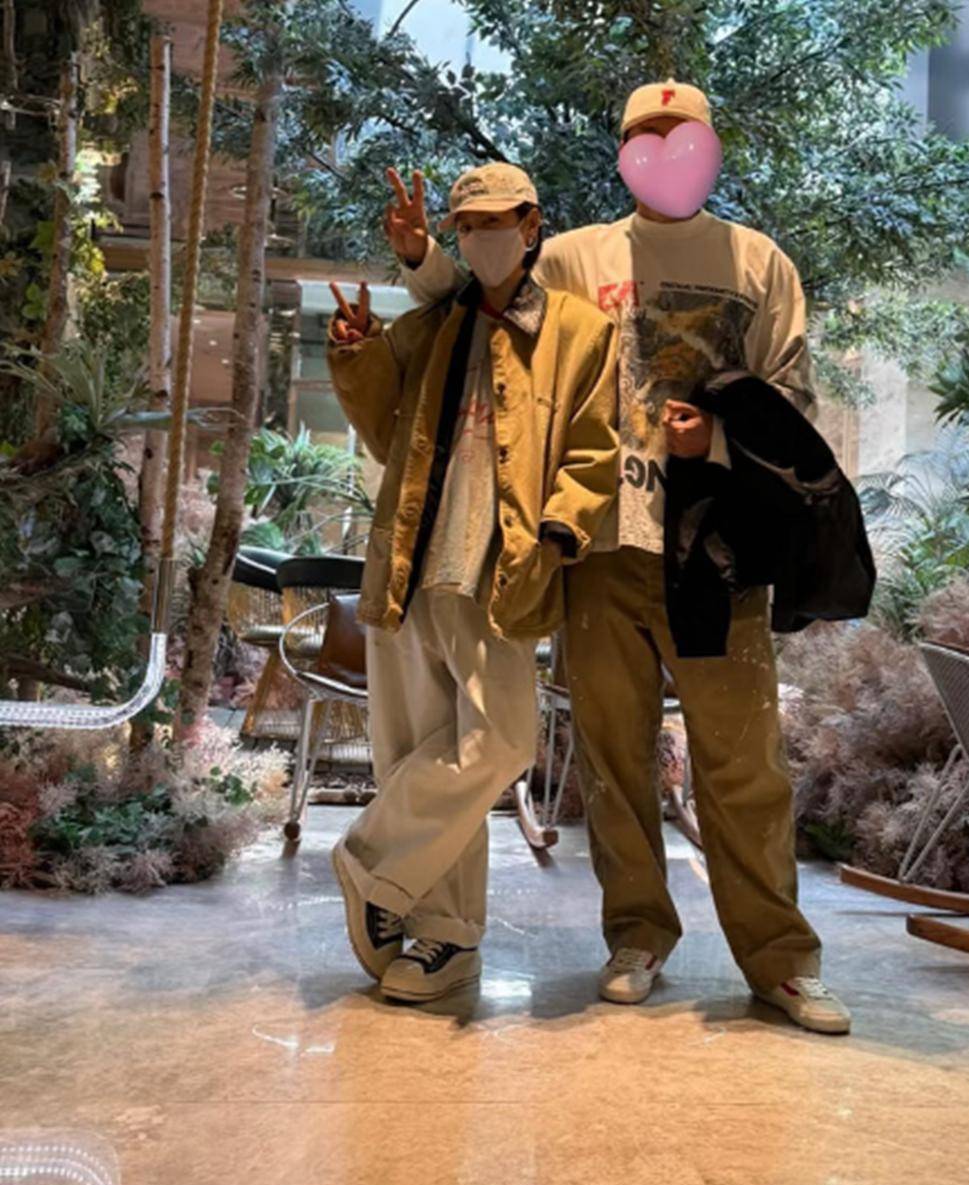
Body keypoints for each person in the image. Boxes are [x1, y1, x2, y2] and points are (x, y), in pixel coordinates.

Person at [384, 82, 852, 1034]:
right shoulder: (570, 256)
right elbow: (477, 317)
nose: (664, 148)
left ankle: (781, 961)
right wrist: (424, 260)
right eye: (646, 134)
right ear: (624, 150)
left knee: (743, 763)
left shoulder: (757, 260)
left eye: (682, 135)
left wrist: (714, 442)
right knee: (612, 761)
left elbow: (793, 400)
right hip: (598, 546)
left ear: (709, 145)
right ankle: (636, 934)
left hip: (717, 551)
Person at [327, 161, 619, 1003]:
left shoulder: (577, 331)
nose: (486, 236)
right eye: (470, 225)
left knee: (500, 742)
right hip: (410, 563)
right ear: (457, 236)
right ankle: (444, 936)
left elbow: (595, 443)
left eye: (500, 220)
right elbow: (383, 427)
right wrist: (356, 352)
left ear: (532, 225)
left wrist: (559, 530)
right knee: (416, 748)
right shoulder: (433, 325)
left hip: (502, 568)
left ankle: (371, 862)